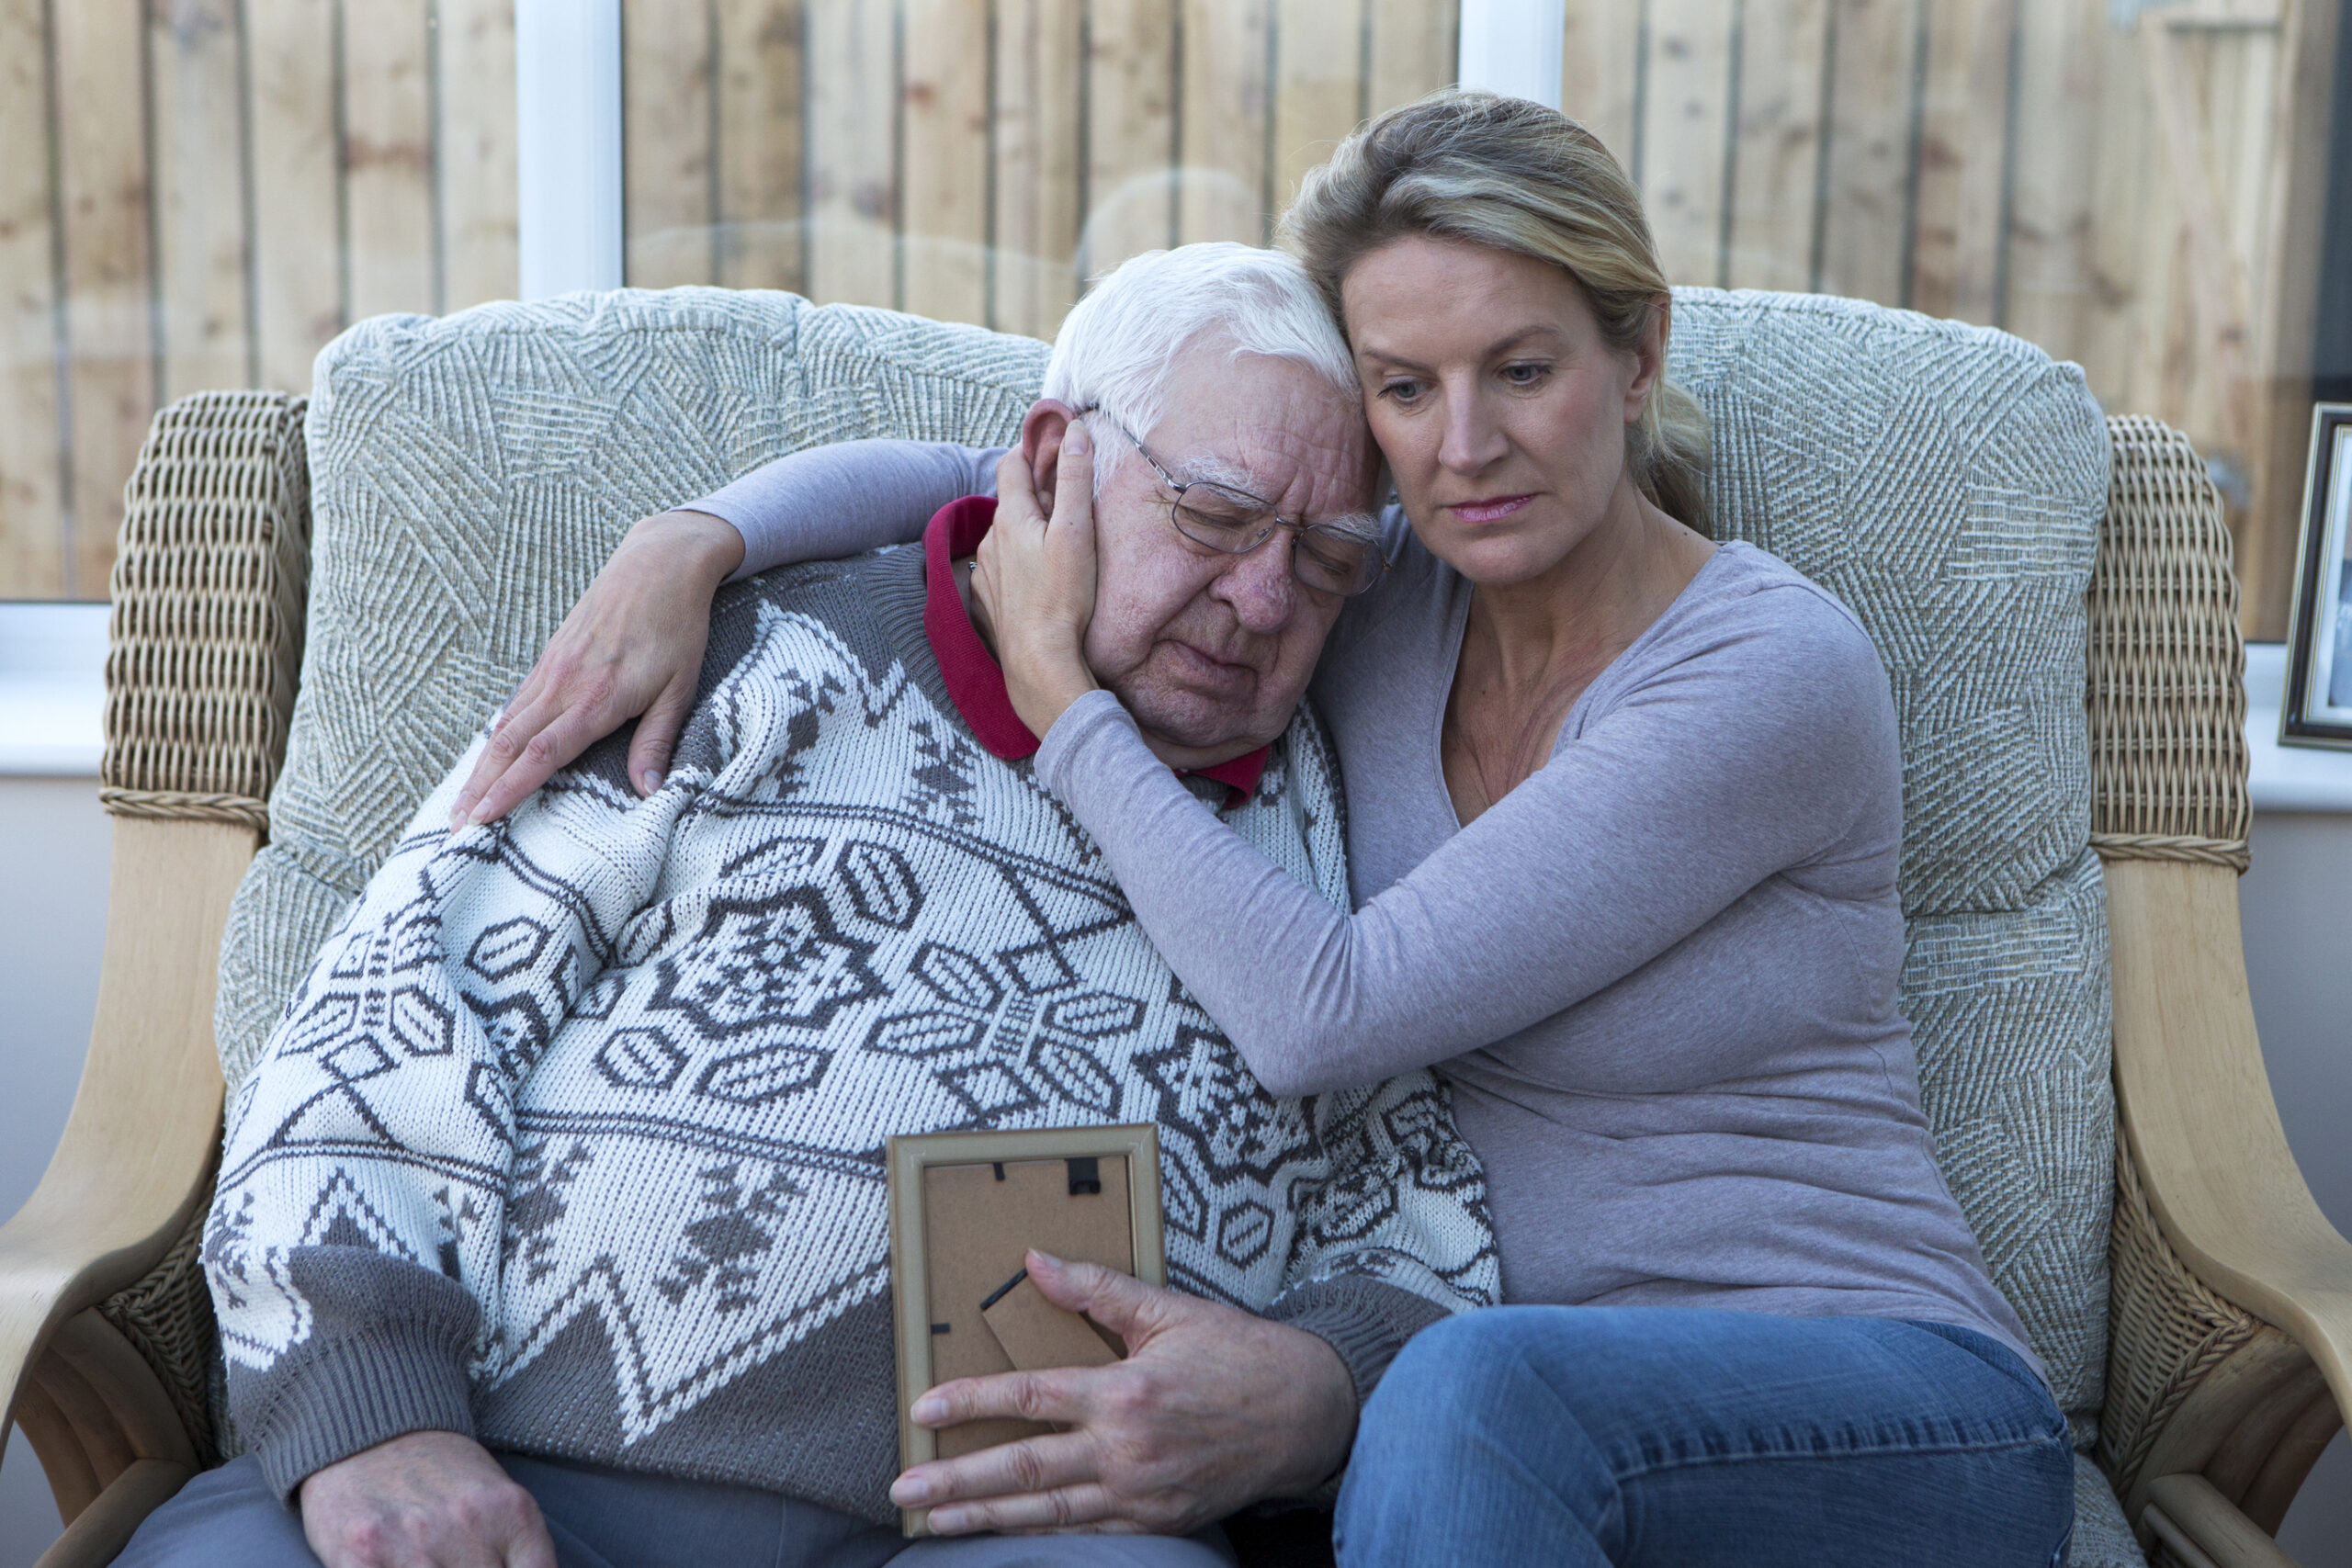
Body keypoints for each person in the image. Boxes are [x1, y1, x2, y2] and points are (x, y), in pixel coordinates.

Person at [459, 91, 2082, 1567]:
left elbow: (1330, 1010)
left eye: (1521, 369)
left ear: (1637, 354)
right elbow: (1023, 465)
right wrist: (698, 539)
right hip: (1498, 1452)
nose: (1464, 446)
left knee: (1465, 1394)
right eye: (1405, 388)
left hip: (1871, 1405)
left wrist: (1062, 702)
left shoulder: (1766, 675)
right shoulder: (1373, 581)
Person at [125, 243, 1499, 1568]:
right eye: (1213, 514)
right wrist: (375, 1418)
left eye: (1326, 561)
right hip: (518, 1476)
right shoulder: (744, 661)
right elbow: (379, 1021)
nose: (1264, 600)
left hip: (1027, 1532)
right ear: (1048, 463)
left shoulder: (1346, 814)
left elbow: (1431, 1235)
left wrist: (1319, 1392)